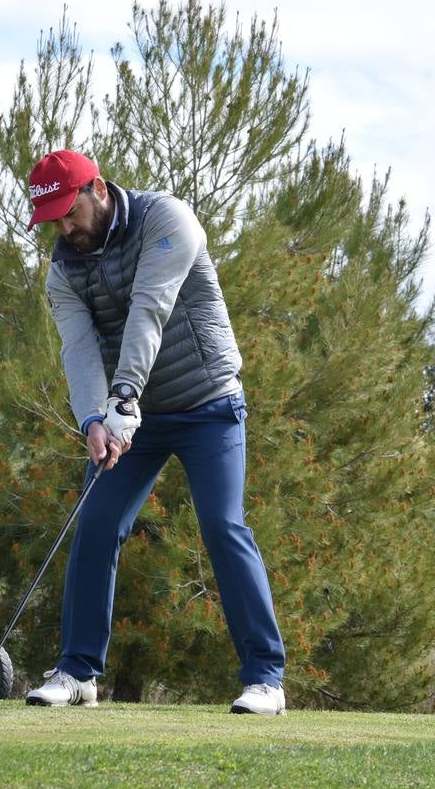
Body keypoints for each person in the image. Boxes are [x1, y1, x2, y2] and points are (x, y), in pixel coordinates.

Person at [22, 149, 287, 716]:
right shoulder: (63, 268)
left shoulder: (169, 220)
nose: (65, 230)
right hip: (131, 415)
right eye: (53, 222)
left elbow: (150, 310)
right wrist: (93, 419)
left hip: (207, 401)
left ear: (97, 189)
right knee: (95, 523)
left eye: (70, 213)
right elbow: (79, 347)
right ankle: (78, 672)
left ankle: (266, 678)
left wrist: (121, 400)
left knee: (222, 525)